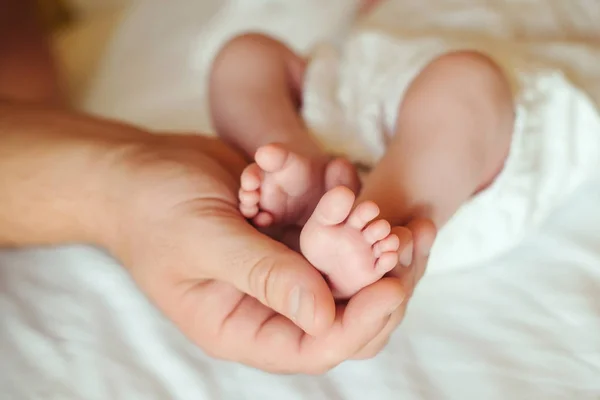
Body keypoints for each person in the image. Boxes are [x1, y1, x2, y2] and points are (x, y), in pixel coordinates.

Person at [0, 0, 435, 374]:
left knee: (463, 84)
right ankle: (302, 174)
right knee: (243, 55)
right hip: (340, 111)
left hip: (423, 113)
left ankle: (374, 215)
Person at [209, 10, 513, 297]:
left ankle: (368, 227)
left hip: (444, 159)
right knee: (245, 55)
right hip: (344, 99)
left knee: (465, 86)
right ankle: (296, 159)